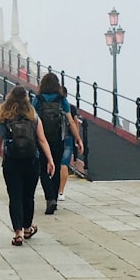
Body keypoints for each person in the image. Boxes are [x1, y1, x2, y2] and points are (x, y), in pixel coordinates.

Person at [0, 85, 55, 246]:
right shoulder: (33, 116)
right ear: (27, 99)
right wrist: (50, 159)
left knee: (14, 196)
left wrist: (1, 150)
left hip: (12, 161)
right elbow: (41, 139)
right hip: (31, 160)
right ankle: (27, 228)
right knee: (28, 196)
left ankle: (18, 233)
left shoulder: (4, 115)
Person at [32, 73, 82, 214]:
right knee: (57, 168)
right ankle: (54, 196)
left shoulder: (38, 99)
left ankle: (49, 198)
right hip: (58, 139)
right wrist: (78, 139)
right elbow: (71, 121)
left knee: (43, 169)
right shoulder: (62, 100)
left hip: (42, 140)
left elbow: (31, 118)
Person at [59, 86, 79, 200]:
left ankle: (52, 190)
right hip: (68, 138)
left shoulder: (53, 106)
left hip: (54, 138)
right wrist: (78, 138)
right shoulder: (71, 107)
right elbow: (74, 122)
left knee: (54, 163)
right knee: (64, 164)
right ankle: (61, 192)